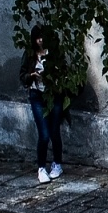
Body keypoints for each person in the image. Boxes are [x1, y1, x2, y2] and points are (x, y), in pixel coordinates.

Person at [20, 25, 62, 184]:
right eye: (37, 37)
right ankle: (41, 168)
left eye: (43, 37)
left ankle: (57, 164)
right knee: (43, 134)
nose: (40, 41)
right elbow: (22, 75)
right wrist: (32, 75)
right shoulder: (30, 54)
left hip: (54, 95)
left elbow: (64, 72)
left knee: (54, 132)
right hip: (37, 95)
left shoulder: (54, 53)